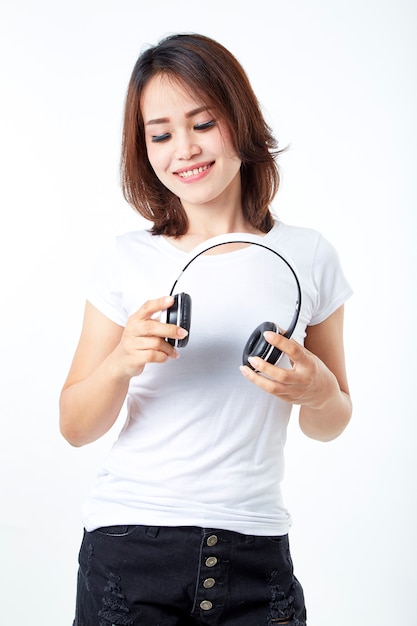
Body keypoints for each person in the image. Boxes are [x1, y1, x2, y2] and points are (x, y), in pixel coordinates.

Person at [60, 33, 352, 626]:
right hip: (128, 552)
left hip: (254, 552)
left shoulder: (308, 255)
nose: (184, 149)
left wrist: (319, 392)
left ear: (239, 121)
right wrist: (121, 361)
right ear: (144, 149)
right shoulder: (124, 259)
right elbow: (74, 426)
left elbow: (332, 421)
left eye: (203, 123)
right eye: (161, 134)